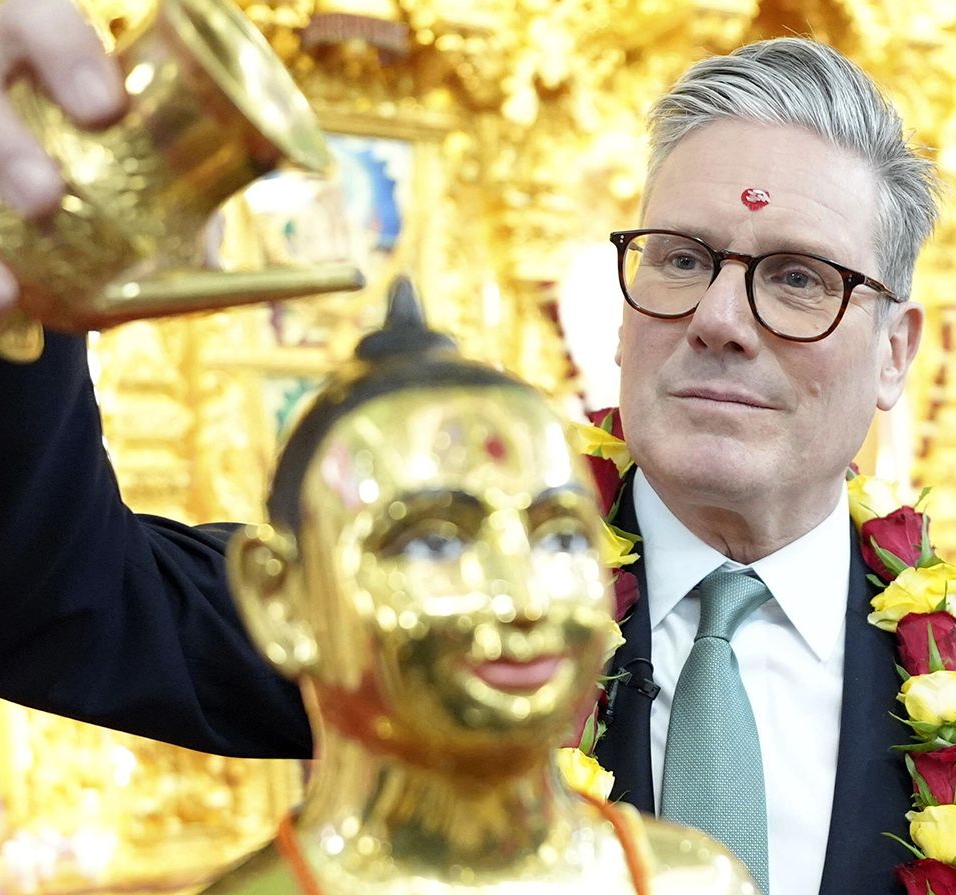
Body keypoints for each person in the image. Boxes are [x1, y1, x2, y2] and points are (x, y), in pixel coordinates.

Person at [0, 1, 956, 892]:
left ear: (898, 350)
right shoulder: (414, 591)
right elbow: (50, 599)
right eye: (684, 257)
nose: (716, 317)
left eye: (801, 278)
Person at [197, 280, 752, 895]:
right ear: (281, 599)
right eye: (435, 543)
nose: (523, 599)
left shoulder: (690, 882)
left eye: (560, 538)